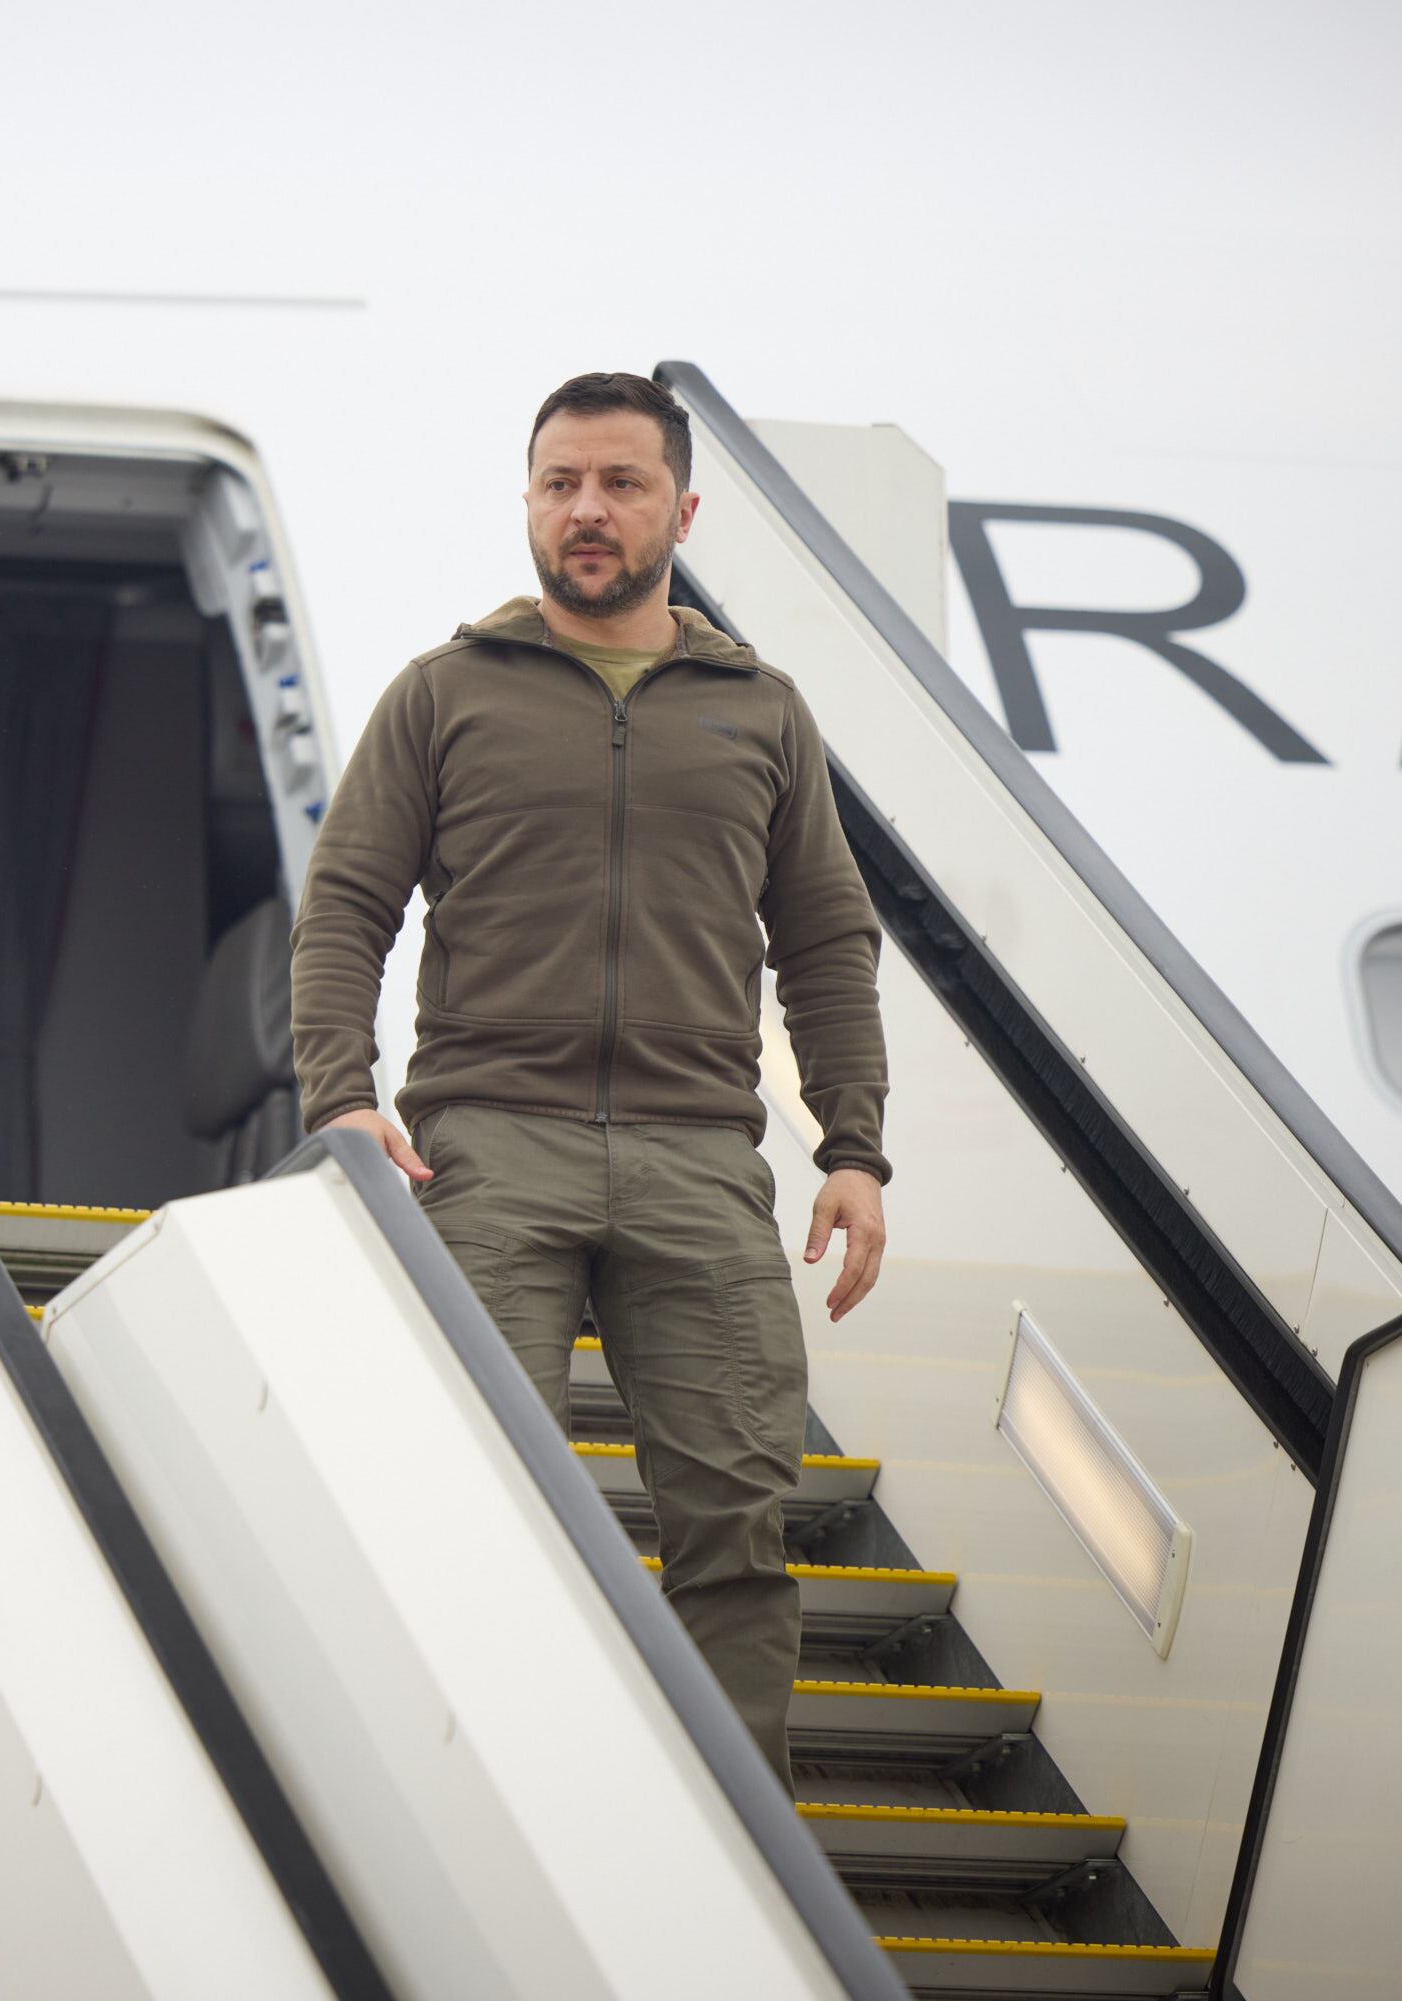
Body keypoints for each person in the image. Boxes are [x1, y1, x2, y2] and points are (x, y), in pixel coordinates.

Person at [288, 370, 891, 1779]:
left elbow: (826, 940)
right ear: (529, 501)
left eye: (620, 483)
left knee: (740, 1526)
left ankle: (739, 1865)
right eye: (560, 482)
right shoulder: (444, 693)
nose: (587, 510)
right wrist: (339, 1094)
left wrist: (852, 1148)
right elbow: (347, 904)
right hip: (487, 1148)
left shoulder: (766, 712)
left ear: (682, 507)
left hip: (700, 1164)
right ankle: (483, 1802)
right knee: (480, 1493)